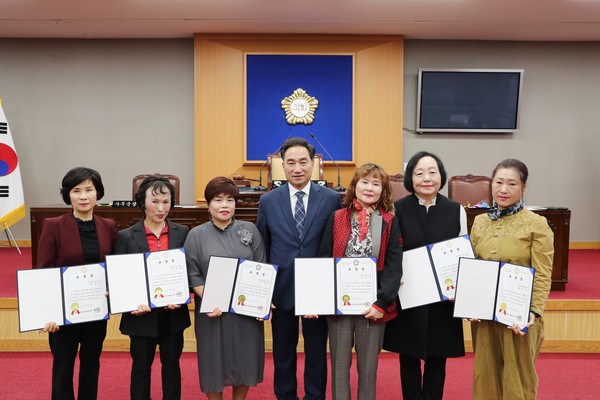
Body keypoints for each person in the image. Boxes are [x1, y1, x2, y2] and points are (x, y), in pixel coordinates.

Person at [256, 137, 343, 400]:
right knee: (283, 353)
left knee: (317, 352)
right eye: (290, 162)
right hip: (281, 289)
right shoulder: (269, 200)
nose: (297, 168)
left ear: (314, 164)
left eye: (303, 162)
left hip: (318, 292)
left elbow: (336, 243)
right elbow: (262, 247)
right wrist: (265, 291)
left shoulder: (330, 199)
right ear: (281, 165)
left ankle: (314, 396)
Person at [382, 151, 467, 400]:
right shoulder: (397, 209)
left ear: (441, 176)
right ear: (410, 179)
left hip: (443, 298)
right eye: (419, 173)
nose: (426, 178)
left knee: (437, 361)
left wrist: (459, 287)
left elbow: (462, 252)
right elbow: (391, 252)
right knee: (408, 361)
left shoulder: (455, 209)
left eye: (433, 172)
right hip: (409, 295)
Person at [469, 158, 553, 400]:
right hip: (484, 317)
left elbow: (543, 272)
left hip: (519, 317)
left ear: (524, 187)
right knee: (485, 375)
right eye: (499, 182)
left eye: (512, 184)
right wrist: (470, 301)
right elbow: (473, 267)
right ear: (491, 184)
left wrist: (534, 312)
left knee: (518, 378)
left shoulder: (537, 225)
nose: (503, 190)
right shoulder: (480, 222)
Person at [318, 163, 403, 400]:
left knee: (368, 370)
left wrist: (382, 303)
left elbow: (394, 266)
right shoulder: (336, 218)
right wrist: (324, 299)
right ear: (354, 185)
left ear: (383, 191)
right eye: (365, 181)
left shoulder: (389, 220)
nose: (369, 187)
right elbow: (324, 259)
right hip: (339, 307)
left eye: (376, 184)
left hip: (372, 307)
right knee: (339, 368)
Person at [184, 176, 267, 400]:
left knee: (245, 360)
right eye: (218, 200)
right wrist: (213, 300)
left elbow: (260, 268)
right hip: (213, 312)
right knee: (213, 362)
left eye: (230, 200)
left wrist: (260, 303)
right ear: (208, 204)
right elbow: (193, 274)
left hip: (245, 312)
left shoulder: (249, 230)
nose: (224, 205)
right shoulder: (196, 235)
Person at [38, 166, 117, 400]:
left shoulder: (108, 226)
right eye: (76, 190)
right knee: (63, 368)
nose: (83, 196)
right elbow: (44, 271)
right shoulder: (53, 225)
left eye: (89, 190)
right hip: (63, 312)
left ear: (98, 193)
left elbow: (113, 267)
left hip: (95, 310)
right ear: (68, 195)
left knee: (91, 365)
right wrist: (48, 312)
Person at [115, 176, 190, 400]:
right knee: (140, 370)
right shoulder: (126, 236)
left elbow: (188, 270)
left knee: (171, 369)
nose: (161, 208)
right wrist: (130, 303)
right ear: (142, 202)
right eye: (155, 201)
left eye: (166, 202)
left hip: (173, 314)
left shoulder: (182, 232)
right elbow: (121, 277)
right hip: (140, 316)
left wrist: (182, 294)